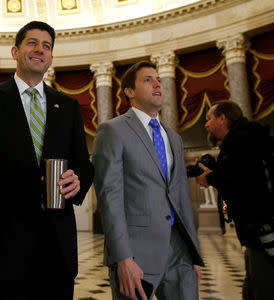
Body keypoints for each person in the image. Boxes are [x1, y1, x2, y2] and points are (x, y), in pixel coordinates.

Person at [0, 21, 94, 300]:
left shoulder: (67, 106)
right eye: (32, 43)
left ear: (51, 57)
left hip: (58, 246)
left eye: (47, 46)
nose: (40, 49)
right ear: (15, 51)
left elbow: (84, 164)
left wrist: (78, 180)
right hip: (3, 245)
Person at [92, 61, 204, 300]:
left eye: (158, 80)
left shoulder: (173, 137)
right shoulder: (112, 131)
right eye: (148, 80)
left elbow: (181, 197)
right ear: (129, 92)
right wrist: (123, 258)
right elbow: (110, 198)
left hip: (179, 250)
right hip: (136, 251)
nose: (157, 84)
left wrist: (194, 254)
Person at [196, 101, 274, 300]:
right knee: (251, 287)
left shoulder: (240, 141)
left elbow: (244, 181)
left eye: (209, 119)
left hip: (261, 230)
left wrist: (212, 178)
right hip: (255, 232)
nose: (206, 124)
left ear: (223, 118)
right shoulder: (244, 138)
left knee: (260, 289)